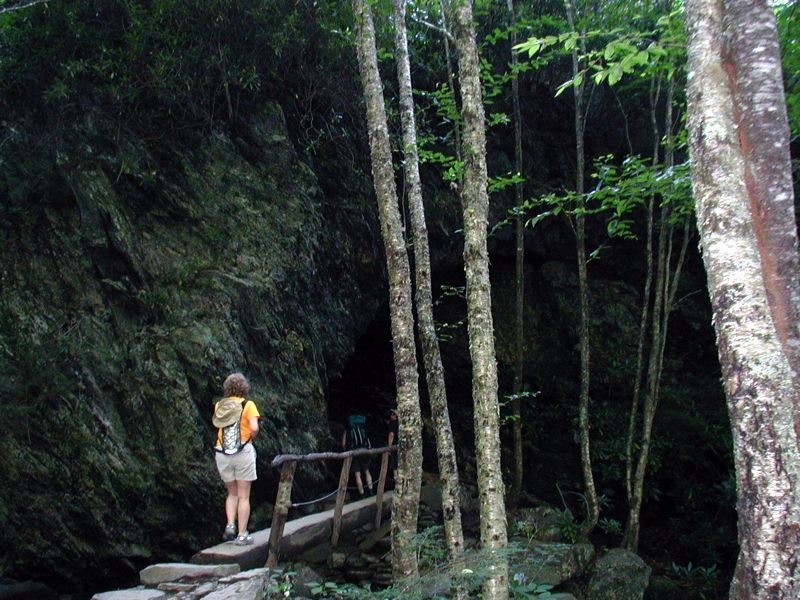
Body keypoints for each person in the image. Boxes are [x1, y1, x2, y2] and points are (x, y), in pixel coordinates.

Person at [213, 372, 260, 545]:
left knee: (231, 493)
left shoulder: (219, 405)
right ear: (244, 387)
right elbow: (254, 427)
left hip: (222, 452)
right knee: (243, 496)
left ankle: (230, 524)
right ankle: (241, 535)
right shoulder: (248, 405)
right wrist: (251, 436)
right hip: (242, 452)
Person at [341, 414, 373, 498]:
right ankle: (371, 492)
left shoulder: (347, 430)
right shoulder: (362, 429)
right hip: (364, 451)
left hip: (354, 453)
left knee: (357, 475)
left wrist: (345, 451)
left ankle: (362, 495)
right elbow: (368, 441)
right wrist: (369, 451)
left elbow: (344, 443)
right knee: (367, 471)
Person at [386, 409, 399, 485]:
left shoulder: (393, 423)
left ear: (395, 416)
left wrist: (389, 447)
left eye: (392, 414)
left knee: (395, 465)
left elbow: (391, 435)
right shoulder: (401, 424)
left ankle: (397, 483)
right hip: (402, 446)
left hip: (395, 446)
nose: (391, 415)